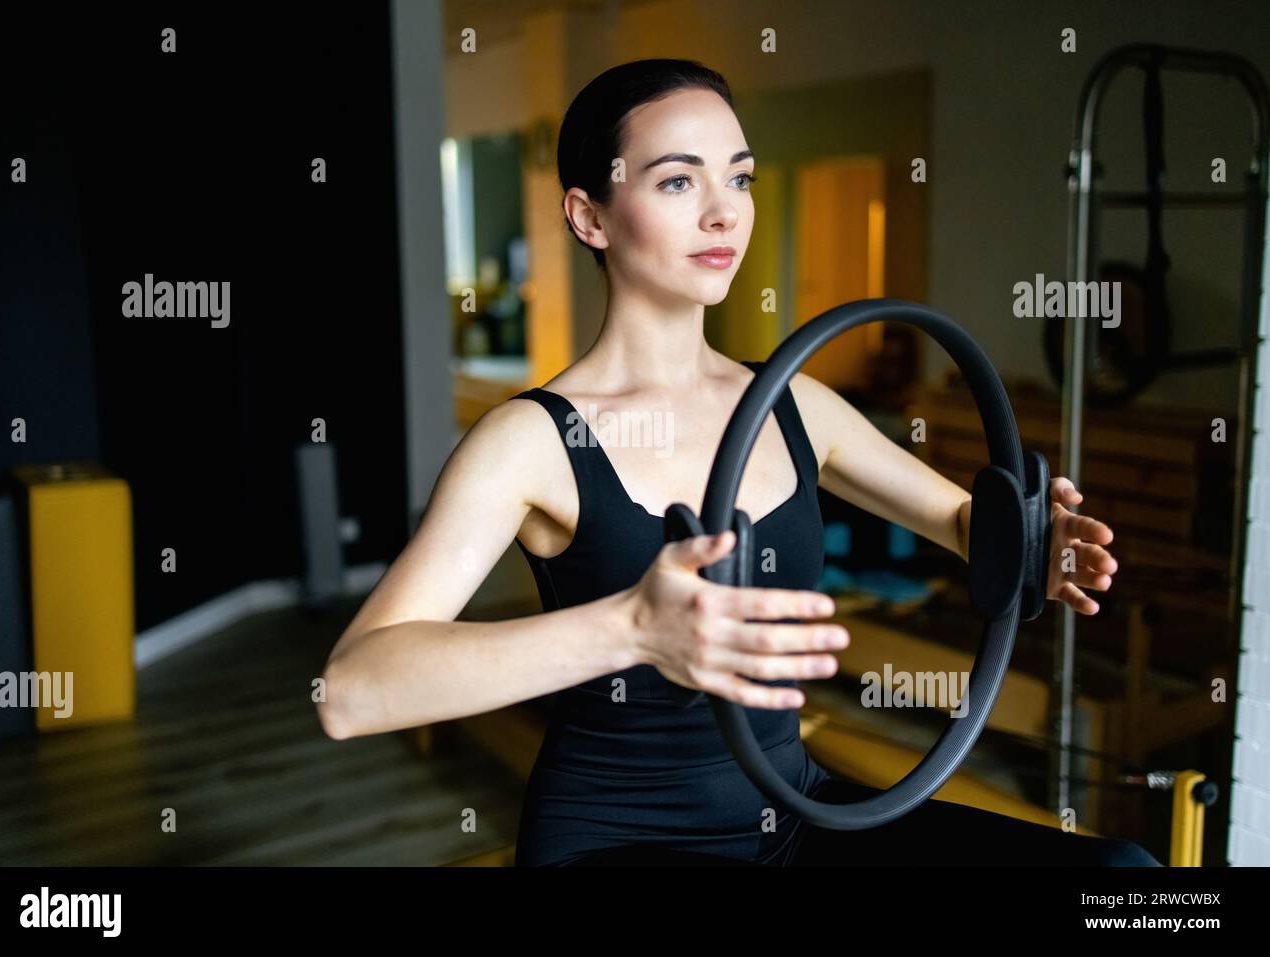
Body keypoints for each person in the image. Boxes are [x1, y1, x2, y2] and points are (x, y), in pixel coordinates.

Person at [317, 58, 1157, 868]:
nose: (725, 213)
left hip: (792, 818)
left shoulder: (794, 403)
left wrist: (1037, 544)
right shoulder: (534, 440)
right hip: (617, 842)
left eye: (741, 178)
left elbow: (969, 526)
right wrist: (630, 629)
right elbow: (353, 691)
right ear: (590, 217)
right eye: (678, 181)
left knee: (1122, 874)